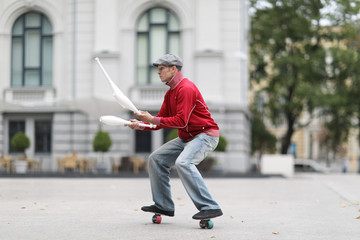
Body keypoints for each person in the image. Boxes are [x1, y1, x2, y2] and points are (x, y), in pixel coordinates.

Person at [127, 53, 223, 220]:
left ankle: (210, 207)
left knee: (183, 162)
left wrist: (152, 118)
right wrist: (140, 125)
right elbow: (159, 123)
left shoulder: (186, 88)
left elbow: (181, 121)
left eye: (162, 69)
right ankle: (163, 205)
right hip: (188, 137)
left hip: (205, 135)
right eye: (158, 69)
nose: (158, 72)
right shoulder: (170, 93)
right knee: (156, 159)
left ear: (173, 69)